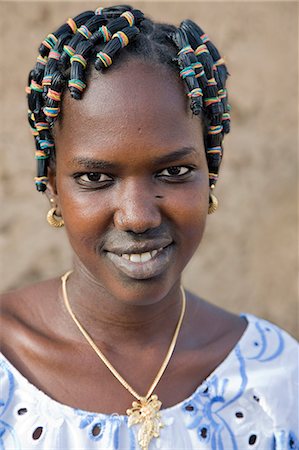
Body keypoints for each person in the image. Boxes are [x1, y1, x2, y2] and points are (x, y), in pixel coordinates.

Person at [0, 4, 297, 450]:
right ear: (53, 188)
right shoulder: (9, 366)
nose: (138, 216)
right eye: (95, 178)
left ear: (209, 174)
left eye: (174, 172)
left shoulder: (276, 381)